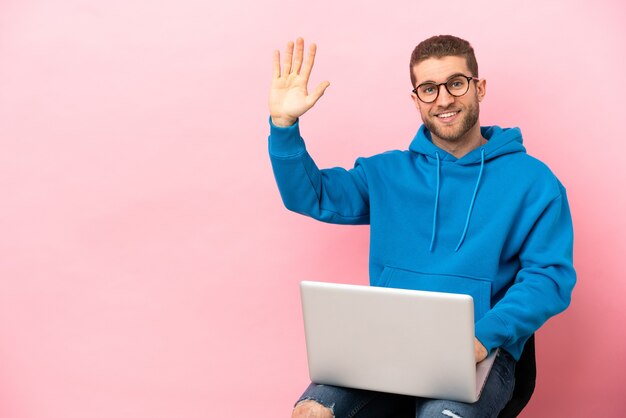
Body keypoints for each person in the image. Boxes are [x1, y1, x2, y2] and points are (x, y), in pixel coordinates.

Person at [267, 35, 576, 418]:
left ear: (478, 87)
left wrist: (483, 337)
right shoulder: (386, 172)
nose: (443, 99)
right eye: (429, 89)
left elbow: (549, 278)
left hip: (478, 347)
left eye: (456, 84)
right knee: (312, 412)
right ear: (416, 99)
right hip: (384, 342)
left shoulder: (534, 181)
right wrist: (284, 125)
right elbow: (311, 196)